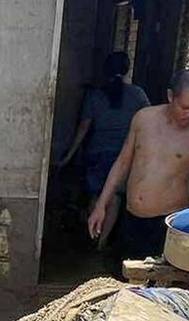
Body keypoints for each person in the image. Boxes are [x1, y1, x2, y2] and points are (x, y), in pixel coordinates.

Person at [86, 68, 189, 259]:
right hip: (131, 217)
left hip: (169, 224)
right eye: (184, 107)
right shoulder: (143, 118)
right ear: (170, 96)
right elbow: (122, 163)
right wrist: (101, 205)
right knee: (124, 273)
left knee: (161, 276)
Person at [57, 52, 150, 207]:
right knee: (114, 196)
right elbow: (148, 123)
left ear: (106, 70)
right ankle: (106, 224)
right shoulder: (138, 94)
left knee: (96, 195)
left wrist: (69, 156)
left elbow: (83, 128)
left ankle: (91, 223)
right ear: (127, 69)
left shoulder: (95, 95)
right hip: (123, 155)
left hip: (97, 153)